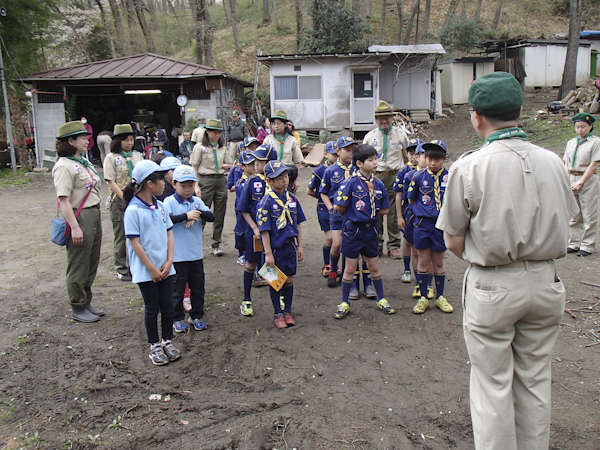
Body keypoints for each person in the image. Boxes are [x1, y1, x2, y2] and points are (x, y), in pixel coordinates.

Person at [437, 72, 578, 450]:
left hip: (494, 284)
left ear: (476, 117)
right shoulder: (553, 161)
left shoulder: (470, 167)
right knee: (534, 378)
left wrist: (482, 256)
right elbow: (569, 219)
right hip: (547, 282)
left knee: (492, 384)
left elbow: (451, 238)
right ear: (519, 112)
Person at [123, 160, 181, 366]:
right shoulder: (133, 211)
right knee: (152, 307)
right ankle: (154, 345)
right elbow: (135, 244)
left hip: (166, 267)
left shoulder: (161, 206)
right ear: (149, 183)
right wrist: (151, 268)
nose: (165, 182)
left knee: (168, 305)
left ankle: (167, 341)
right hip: (146, 270)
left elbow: (170, 235)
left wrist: (169, 261)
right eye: (161, 179)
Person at [333, 144, 392, 319]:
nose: (375, 163)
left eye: (376, 159)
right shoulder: (350, 182)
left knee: (374, 267)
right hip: (354, 231)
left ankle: (381, 298)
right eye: (371, 160)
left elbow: (385, 209)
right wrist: (355, 216)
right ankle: (344, 302)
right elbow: (339, 206)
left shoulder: (378, 183)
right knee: (350, 269)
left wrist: (368, 215)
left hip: (371, 230)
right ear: (359, 163)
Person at [52, 121, 104, 322]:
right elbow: (63, 200)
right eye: (82, 138)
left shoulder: (82, 162)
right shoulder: (64, 166)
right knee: (78, 262)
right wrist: (74, 227)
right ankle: (77, 305)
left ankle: (86, 300)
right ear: (70, 141)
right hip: (78, 215)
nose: (87, 140)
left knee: (91, 260)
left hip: (93, 213)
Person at [164, 165, 215, 333]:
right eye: (183, 185)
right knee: (177, 290)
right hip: (177, 255)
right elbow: (166, 220)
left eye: (191, 185)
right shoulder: (169, 202)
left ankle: (196, 315)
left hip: (195, 254)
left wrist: (196, 212)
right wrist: (185, 216)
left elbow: (211, 216)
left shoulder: (196, 202)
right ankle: (177, 318)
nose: (187, 189)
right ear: (174, 184)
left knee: (198, 287)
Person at [257, 160, 306, 328]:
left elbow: (298, 223)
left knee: (289, 279)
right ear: (269, 181)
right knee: (276, 281)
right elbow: (264, 230)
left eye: (286, 176)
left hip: (290, 247)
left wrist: (300, 245)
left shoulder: (292, 199)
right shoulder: (265, 203)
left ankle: (288, 312)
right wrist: (268, 254)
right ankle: (278, 313)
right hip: (275, 249)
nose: (285, 180)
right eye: (280, 177)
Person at [407, 140, 452, 314]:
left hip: (441, 225)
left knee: (439, 262)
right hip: (423, 224)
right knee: (424, 261)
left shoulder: (451, 177)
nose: (432, 163)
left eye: (437, 159)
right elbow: (411, 199)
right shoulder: (417, 177)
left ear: (445, 159)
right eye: (429, 158)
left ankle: (440, 297)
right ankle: (424, 297)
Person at [363, 101, 408, 259]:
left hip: (395, 176)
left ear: (392, 118)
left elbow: (406, 157)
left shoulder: (401, 135)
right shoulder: (370, 137)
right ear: (375, 119)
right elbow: (364, 161)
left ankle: (394, 246)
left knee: (394, 213)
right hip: (376, 177)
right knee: (376, 211)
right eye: (380, 117)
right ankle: (377, 244)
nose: (384, 121)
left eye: (387, 117)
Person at [238, 144, 278, 316]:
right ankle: (246, 299)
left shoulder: (278, 184)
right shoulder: (251, 182)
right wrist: (254, 227)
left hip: (274, 231)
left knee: (273, 262)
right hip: (255, 231)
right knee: (251, 263)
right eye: (255, 161)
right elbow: (243, 208)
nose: (255, 164)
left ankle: (279, 297)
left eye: (260, 161)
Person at [104, 124, 144, 281]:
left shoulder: (137, 156)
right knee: (121, 234)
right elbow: (111, 181)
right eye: (126, 140)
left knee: (137, 234)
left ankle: (136, 265)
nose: (129, 143)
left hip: (138, 199)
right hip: (120, 201)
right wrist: (125, 198)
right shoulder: (111, 158)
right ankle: (121, 268)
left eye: (131, 139)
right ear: (118, 141)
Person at [190, 118, 233, 256]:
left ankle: (216, 244)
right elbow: (194, 166)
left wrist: (228, 166)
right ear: (207, 131)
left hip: (220, 180)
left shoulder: (222, 147)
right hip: (205, 180)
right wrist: (195, 184)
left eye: (219, 132)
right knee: (202, 212)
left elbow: (229, 163)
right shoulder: (199, 147)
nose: (216, 135)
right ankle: (194, 244)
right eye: (214, 132)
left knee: (220, 213)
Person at [320, 137, 356, 288]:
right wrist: (330, 208)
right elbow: (323, 192)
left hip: (352, 214)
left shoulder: (357, 169)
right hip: (336, 214)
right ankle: (333, 269)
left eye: (353, 151)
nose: (351, 154)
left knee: (349, 244)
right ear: (338, 151)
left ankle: (347, 273)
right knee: (337, 244)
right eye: (347, 150)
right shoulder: (330, 171)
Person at [564, 113, 600, 256]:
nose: (579, 130)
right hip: (572, 178)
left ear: (590, 126)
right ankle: (574, 243)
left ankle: (587, 245)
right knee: (574, 213)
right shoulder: (571, 143)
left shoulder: (595, 142)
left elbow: (593, 164)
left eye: (583, 127)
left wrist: (580, 182)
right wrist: (568, 180)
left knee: (589, 213)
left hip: (587, 179)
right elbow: (566, 162)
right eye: (577, 127)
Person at [307, 141, 339, 278]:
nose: (336, 156)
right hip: (324, 208)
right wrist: (322, 199)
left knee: (339, 239)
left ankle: (336, 265)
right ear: (325, 154)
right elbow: (309, 191)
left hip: (339, 207)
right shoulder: (319, 171)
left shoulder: (344, 169)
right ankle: (327, 264)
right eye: (333, 154)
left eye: (337, 153)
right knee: (330, 238)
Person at [393, 138, 422, 284]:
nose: (414, 156)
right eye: (411, 153)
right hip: (408, 211)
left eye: (417, 153)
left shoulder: (428, 170)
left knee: (419, 245)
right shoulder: (404, 172)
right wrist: (399, 216)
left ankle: (420, 274)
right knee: (407, 241)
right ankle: (406, 269)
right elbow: (398, 195)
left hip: (422, 212)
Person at [263, 110, 304, 192]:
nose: (276, 126)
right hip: (272, 176)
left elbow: (297, 161)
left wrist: (296, 179)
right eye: (274, 124)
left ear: (285, 125)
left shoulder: (292, 140)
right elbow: (262, 159)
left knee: (287, 200)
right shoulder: (268, 140)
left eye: (279, 123)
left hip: (287, 177)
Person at [233, 151, 257, 266]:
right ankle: (242, 254)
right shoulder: (241, 183)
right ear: (242, 166)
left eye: (255, 163)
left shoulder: (258, 180)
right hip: (244, 213)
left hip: (255, 214)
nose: (254, 166)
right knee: (242, 232)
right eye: (250, 164)